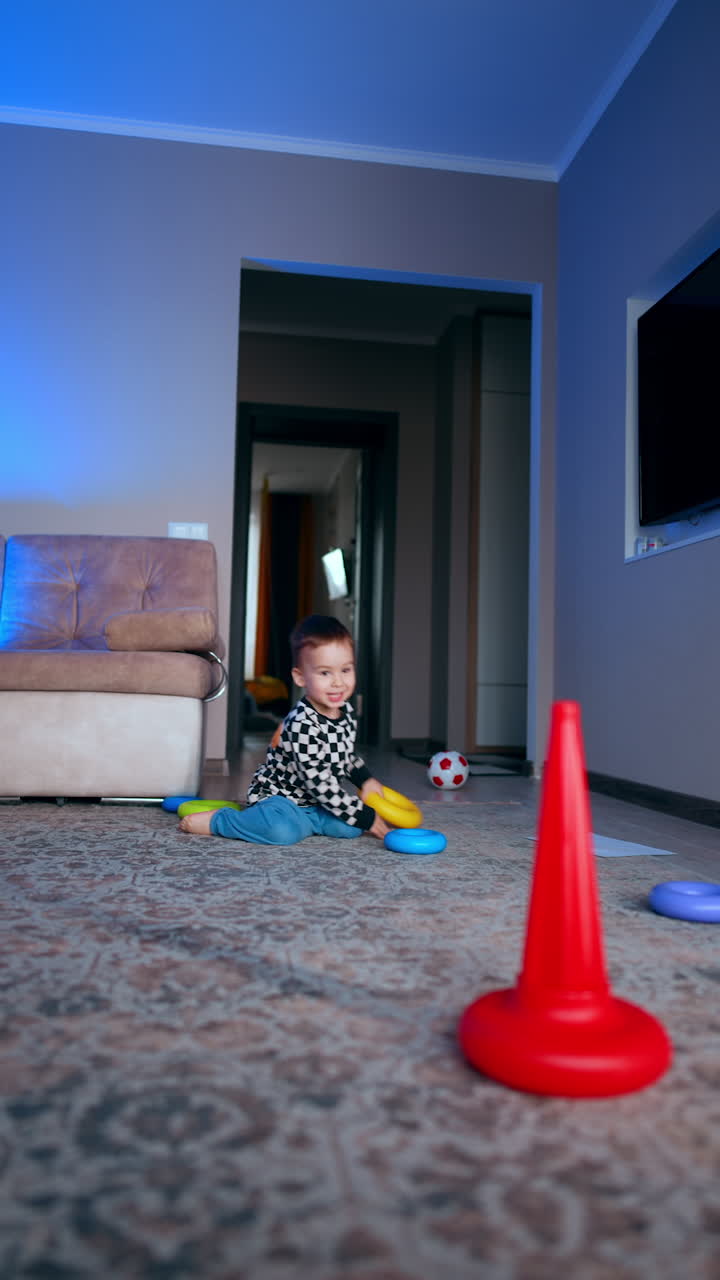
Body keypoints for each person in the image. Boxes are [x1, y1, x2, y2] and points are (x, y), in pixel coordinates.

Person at [178, 614, 390, 843]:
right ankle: (222, 820)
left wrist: (365, 780)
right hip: (281, 799)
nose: (338, 682)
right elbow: (318, 782)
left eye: (346, 670)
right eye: (325, 673)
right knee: (281, 832)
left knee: (349, 828)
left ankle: (308, 822)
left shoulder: (346, 712)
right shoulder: (302, 723)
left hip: (316, 803)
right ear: (300, 677)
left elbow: (345, 756)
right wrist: (364, 815)